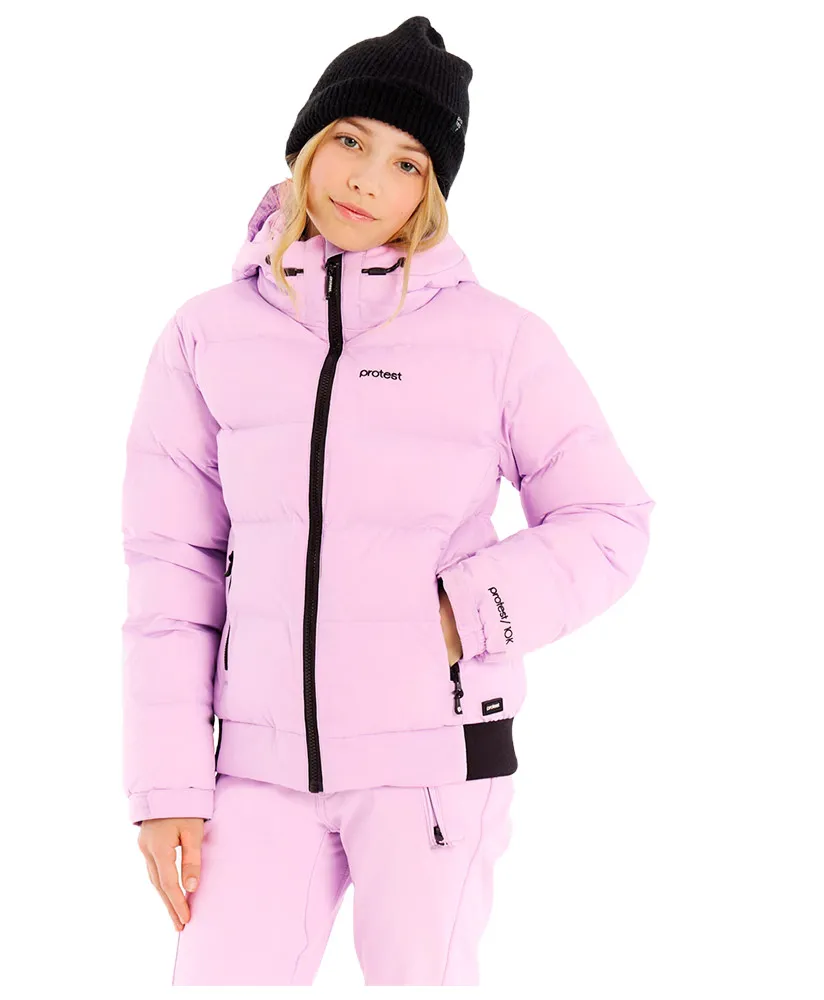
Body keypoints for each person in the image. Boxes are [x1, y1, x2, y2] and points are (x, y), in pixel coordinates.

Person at [120, 15, 655, 987]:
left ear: (432, 190)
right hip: (256, 772)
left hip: (432, 767)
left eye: (407, 162)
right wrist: (167, 786)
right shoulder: (205, 336)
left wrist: (466, 611)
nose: (367, 180)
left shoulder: (499, 341)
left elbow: (609, 519)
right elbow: (172, 569)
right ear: (307, 145)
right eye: (350, 141)